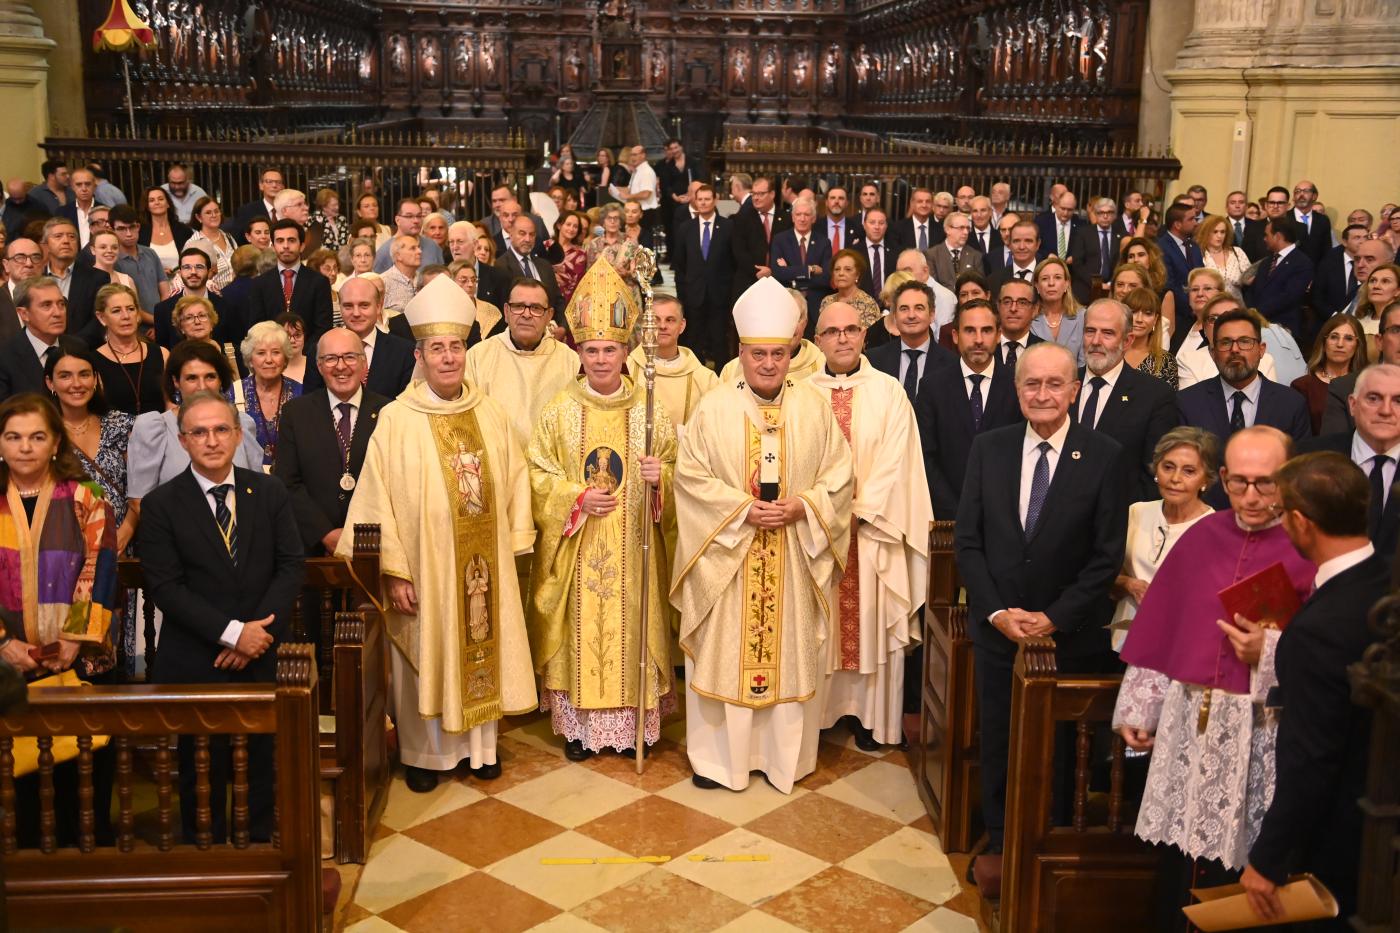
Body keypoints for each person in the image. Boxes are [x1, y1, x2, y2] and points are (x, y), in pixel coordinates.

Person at [337, 275, 537, 791]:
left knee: (480, 643)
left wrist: (516, 541)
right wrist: (394, 570)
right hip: (423, 568)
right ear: (419, 356)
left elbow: (516, 478)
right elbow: (376, 499)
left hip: (483, 566)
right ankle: (427, 758)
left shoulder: (489, 412)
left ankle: (480, 749)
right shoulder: (398, 420)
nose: (448, 357)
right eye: (437, 349)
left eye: (456, 347)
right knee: (430, 653)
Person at [1114, 427, 1315, 929]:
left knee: (1246, 856)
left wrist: (1267, 651)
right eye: (1239, 483)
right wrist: (1141, 707)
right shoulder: (1202, 535)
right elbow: (1166, 622)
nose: (1251, 497)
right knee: (1182, 856)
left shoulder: (1309, 545)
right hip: (1190, 718)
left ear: (1288, 480)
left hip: (1263, 726)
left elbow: (1328, 648)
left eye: (1266, 484)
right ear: (1221, 478)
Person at [955, 341, 1127, 898]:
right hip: (1000, 631)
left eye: (1055, 384)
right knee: (1002, 738)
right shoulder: (990, 448)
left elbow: (1106, 556)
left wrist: (1053, 618)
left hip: (1068, 637)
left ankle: (1046, 844)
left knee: (1056, 751)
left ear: (1074, 390)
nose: (1043, 394)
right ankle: (1003, 841)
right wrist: (999, 612)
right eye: (1033, 384)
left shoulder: (1104, 455)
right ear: (1017, 389)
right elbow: (968, 542)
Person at [673, 276, 853, 793]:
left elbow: (839, 476)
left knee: (788, 655)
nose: (769, 363)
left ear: (791, 351)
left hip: (794, 554)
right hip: (731, 561)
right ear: (742, 353)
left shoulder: (814, 407)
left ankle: (783, 762)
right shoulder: (714, 407)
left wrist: (805, 505)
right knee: (727, 656)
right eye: (759, 355)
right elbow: (691, 478)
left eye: (778, 353)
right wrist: (738, 510)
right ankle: (719, 763)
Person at [526, 259, 676, 760]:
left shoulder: (650, 410)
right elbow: (537, 475)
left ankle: (632, 726)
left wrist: (662, 481)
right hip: (580, 547)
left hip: (635, 553)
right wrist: (575, 497)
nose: (601, 359)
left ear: (625, 350)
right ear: (580, 352)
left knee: (631, 624)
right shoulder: (559, 412)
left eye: (610, 348)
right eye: (591, 349)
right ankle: (582, 731)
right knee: (580, 631)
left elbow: (680, 475)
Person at [139, 390, 304, 842]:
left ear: (236, 434)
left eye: (220, 430)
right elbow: (167, 588)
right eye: (199, 432)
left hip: (264, 653)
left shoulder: (268, 492)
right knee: (199, 771)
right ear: (182, 439)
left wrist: (255, 636)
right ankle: (202, 861)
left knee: (262, 764)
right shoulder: (160, 505)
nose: (211, 440)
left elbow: (291, 565)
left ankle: (260, 858)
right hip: (197, 659)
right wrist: (233, 635)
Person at [1239, 452, 1387, 928]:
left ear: (1301, 523)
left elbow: (1311, 759)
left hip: (1348, 844)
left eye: (1281, 511)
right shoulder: (1387, 587)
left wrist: (1267, 858)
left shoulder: (1317, 630)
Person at [809, 301, 932, 749]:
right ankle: (819, 714)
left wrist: (861, 510)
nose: (842, 338)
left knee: (873, 621)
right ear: (817, 339)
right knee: (822, 626)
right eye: (832, 332)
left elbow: (898, 461)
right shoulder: (801, 392)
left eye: (851, 330)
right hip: (819, 535)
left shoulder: (889, 392)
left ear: (865, 336)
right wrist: (827, 510)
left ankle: (871, 720)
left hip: (873, 532)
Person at [0, 392, 119, 847]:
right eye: (13, 437)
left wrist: (75, 637)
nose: (25, 447)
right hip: (9, 673)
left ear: (55, 443)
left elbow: (101, 563)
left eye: (36, 437)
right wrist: (3, 645)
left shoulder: (85, 496)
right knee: (22, 797)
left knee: (81, 791)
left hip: (76, 664)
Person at [45, 341, 141, 671]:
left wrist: (127, 528)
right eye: (65, 376)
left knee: (123, 644)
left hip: (124, 547)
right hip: (65, 554)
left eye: (85, 374)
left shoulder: (123, 425)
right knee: (75, 645)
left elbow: (141, 489)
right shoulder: (42, 433)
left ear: (96, 378)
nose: (76, 383)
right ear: (50, 383)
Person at [274, 326, 390, 562]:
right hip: (312, 550)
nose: (340, 366)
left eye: (349, 357)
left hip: (376, 544)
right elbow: (286, 482)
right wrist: (324, 533)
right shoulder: (296, 413)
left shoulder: (389, 411)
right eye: (330, 359)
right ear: (318, 366)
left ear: (364, 363)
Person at [915, 297, 1023, 522]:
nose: (978, 340)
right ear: (955, 336)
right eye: (969, 331)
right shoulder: (931, 388)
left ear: (998, 334)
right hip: (947, 519)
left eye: (986, 330)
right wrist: (957, 512)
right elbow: (925, 458)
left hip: (1005, 517)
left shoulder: (1018, 386)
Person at [1108, 427, 1216, 651]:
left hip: (1180, 646)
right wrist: (1128, 584)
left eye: (1189, 471)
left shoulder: (1215, 528)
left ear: (1206, 479)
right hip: (1122, 642)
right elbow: (1104, 574)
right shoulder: (1136, 512)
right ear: (1156, 469)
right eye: (1168, 467)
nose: (1175, 479)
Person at [1178, 309, 1312, 481]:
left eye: (1245, 341)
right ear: (1212, 353)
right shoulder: (1188, 402)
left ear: (1261, 350)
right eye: (1225, 343)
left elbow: (1299, 472)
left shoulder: (1291, 404)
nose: (1235, 349)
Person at [126, 340, 264, 504]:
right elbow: (140, 503)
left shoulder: (241, 423)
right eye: (192, 378)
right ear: (176, 382)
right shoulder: (154, 427)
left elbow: (258, 492)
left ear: (220, 380)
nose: (202, 386)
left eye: (210, 377)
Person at [1078, 299, 1181, 502]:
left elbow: (1155, 473)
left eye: (1108, 333)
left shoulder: (1155, 395)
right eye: (1090, 331)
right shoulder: (1061, 384)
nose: (1096, 341)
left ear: (1127, 341)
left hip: (1122, 520)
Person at [463, 277, 581, 447]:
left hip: (554, 468)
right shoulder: (478, 357)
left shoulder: (570, 361)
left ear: (549, 315)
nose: (526, 314)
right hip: (500, 466)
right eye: (518, 306)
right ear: (506, 311)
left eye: (536, 308)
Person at [1299, 363, 1400, 559]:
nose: (1386, 410)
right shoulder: (1307, 460)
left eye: (1398, 401)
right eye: (1373, 398)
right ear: (1353, 405)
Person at [305, 276, 415, 398]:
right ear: (340, 307)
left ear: (378, 307)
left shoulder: (404, 352)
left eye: (364, 305)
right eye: (348, 306)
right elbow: (312, 402)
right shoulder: (320, 349)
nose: (356, 313)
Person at [624, 296, 718, 431]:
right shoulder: (626, 370)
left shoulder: (705, 379)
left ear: (682, 325)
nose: (662, 326)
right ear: (645, 325)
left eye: (670, 320)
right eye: (655, 320)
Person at [672, 184, 735, 365]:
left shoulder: (728, 226)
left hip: (720, 296)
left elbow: (733, 263)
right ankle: (696, 378)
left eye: (707, 199)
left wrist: (730, 295)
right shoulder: (685, 229)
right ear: (695, 201)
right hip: (693, 296)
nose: (703, 203)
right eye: (700, 199)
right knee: (694, 341)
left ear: (715, 200)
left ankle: (722, 380)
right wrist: (682, 296)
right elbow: (680, 266)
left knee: (719, 341)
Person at [716, 289, 824, 385]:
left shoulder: (821, 364)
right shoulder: (732, 370)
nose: (787, 326)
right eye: (780, 317)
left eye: (795, 318)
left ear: (805, 323)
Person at [250, 219, 334, 341]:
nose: (285, 246)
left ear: (302, 246)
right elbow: (257, 328)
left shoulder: (319, 282)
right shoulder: (260, 284)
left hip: (308, 355)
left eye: (291, 240)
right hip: (272, 353)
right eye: (280, 241)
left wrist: (303, 354)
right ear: (273, 247)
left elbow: (323, 328)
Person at [92, 283, 168, 416]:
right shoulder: (93, 362)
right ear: (102, 318)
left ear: (138, 314)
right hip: (116, 436)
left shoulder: (162, 354)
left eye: (131, 309)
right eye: (116, 311)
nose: (126, 316)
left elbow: (172, 403)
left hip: (160, 433)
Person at [238, 321, 302, 468]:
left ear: (285, 358)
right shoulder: (233, 394)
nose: (269, 360)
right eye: (261, 353)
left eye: (276, 352)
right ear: (250, 359)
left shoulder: (302, 393)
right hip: (248, 481)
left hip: (291, 480)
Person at [1292, 315, 1367, 435]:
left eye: (1348, 338)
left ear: (1358, 345)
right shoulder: (1302, 386)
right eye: (1334, 337)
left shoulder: (1367, 385)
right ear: (1324, 343)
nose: (1340, 344)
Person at [1244, 216, 1314, 338]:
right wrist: (1251, 311)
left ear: (1278, 236)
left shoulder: (1302, 262)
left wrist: (1257, 312)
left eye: (1267, 235)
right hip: (1257, 326)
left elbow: (1290, 296)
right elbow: (1253, 290)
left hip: (1283, 327)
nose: (1264, 239)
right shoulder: (1267, 261)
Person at [40, 217, 109, 340]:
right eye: (58, 236)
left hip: (84, 349)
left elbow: (99, 319)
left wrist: (73, 346)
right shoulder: (36, 278)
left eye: (72, 237)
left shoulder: (98, 278)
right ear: (46, 246)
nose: (66, 241)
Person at [0, 277, 68, 401]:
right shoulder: (5, 358)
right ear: (24, 314)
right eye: (46, 305)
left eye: (61, 304)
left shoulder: (78, 348)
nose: (58, 313)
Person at [152, 246, 230, 349]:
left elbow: (234, 347)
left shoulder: (227, 307)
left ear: (209, 271)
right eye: (187, 267)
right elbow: (162, 352)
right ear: (179, 273)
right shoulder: (162, 309)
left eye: (199, 267)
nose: (193, 272)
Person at [770, 198, 831, 327]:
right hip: (787, 306)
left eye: (807, 215)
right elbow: (777, 273)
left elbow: (826, 278)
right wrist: (809, 270)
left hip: (815, 308)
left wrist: (792, 278)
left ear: (813, 218)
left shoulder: (824, 242)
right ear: (792, 217)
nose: (802, 219)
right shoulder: (780, 240)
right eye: (798, 214)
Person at [1120, 286, 1179, 389]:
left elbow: (1169, 402)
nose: (1139, 319)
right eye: (1133, 312)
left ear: (1155, 319)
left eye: (1147, 314)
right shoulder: (1111, 353)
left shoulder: (1166, 361)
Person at [1030, 255, 1084, 364]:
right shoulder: (1028, 318)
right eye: (1045, 279)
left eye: (1057, 277)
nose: (1051, 283)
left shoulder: (1083, 317)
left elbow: (1084, 362)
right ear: (1037, 286)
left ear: (1066, 284)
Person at [819, 249, 883, 337]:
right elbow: (820, 336)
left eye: (848, 269)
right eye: (837, 269)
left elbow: (870, 340)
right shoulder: (826, 302)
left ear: (857, 275)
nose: (841, 273)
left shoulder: (868, 303)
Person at [137, 186, 193, 278]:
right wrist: (158, 271)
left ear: (168, 203)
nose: (157, 202)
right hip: (152, 284)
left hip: (183, 284)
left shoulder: (184, 231)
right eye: (151, 200)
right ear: (147, 206)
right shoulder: (140, 232)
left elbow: (193, 258)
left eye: (161, 199)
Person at [185, 196, 237, 292]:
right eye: (208, 213)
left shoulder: (228, 237)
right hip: (210, 299)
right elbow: (191, 278)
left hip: (234, 296)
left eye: (216, 211)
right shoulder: (193, 243)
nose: (214, 215)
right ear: (198, 217)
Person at [1197, 214, 1252, 299]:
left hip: (1236, 306)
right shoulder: (1199, 254)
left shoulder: (1237, 252)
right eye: (1215, 232)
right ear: (1206, 233)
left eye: (1222, 232)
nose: (1219, 236)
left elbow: (1249, 278)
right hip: (1209, 306)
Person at [449, 261, 505, 343]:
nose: (471, 284)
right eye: (464, 280)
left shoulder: (492, 312)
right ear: (451, 282)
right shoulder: (444, 311)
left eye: (473, 280)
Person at [546, 211, 588, 306]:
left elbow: (578, 282)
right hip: (544, 297)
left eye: (575, 226)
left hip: (567, 302)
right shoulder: (546, 246)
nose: (571, 229)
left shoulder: (580, 253)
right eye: (568, 224)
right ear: (559, 225)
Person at [310, 189, 348, 254]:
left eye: (337, 204)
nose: (337, 207)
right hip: (322, 257)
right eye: (334, 205)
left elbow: (346, 241)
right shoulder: (314, 220)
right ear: (324, 206)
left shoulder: (341, 219)